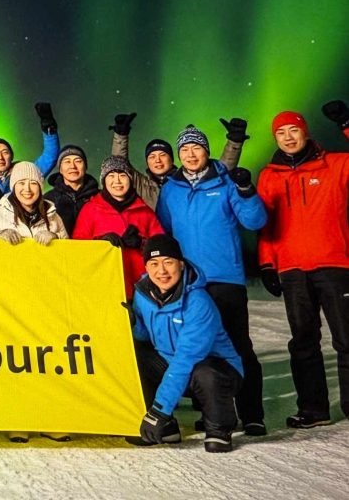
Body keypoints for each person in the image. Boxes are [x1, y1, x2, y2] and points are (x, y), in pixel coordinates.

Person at [156, 125, 268, 436]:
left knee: (237, 345)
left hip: (224, 279)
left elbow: (255, 220)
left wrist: (246, 191)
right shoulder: (171, 189)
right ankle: (213, 413)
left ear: (207, 151)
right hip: (189, 284)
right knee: (199, 350)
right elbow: (165, 231)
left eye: (196, 148)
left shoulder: (226, 181)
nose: (191, 155)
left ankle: (252, 413)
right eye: (185, 150)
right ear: (179, 156)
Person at [256, 103, 349, 428]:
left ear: (305, 132)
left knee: (346, 337)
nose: (288, 137)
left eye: (293, 130)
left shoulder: (336, 165)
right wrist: (267, 264)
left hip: (334, 264)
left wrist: (347, 124)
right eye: (281, 133)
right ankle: (314, 409)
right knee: (303, 341)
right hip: (292, 269)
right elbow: (265, 225)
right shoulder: (269, 177)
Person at [126, 234, 243, 453]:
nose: (161, 271)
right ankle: (167, 427)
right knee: (135, 356)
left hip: (216, 369)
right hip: (172, 365)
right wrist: (133, 324)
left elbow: (186, 358)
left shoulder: (198, 302)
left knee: (205, 372)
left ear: (180, 264)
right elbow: (146, 337)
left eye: (168, 262)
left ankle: (219, 428)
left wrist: (158, 410)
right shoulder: (143, 294)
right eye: (154, 264)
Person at [0, 161, 68, 444]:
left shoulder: (53, 216)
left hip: (45, 297)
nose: (27, 189)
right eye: (21, 184)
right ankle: (18, 418)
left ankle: (50, 417)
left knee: (47, 359)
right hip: (11, 296)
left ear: (40, 186)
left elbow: (71, 256)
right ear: (13, 187)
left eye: (32, 184)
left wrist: (55, 239)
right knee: (16, 360)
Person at [108, 113, 248, 210]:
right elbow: (119, 165)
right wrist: (121, 136)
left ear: (173, 158)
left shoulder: (186, 180)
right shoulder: (141, 184)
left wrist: (234, 143)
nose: (157, 160)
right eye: (152, 157)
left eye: (163, 155)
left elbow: (220, 173)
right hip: (154, 244)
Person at [72, 156, 163, 297]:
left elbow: (162, 249)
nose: (117, 181)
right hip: (103, 286)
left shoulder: (145, 212)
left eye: (122, 175)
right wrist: (100, 244)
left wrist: (142, 243)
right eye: (111, 176)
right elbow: (78, 251)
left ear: (130, 179)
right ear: (104, 181)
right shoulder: (90, 210)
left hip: (142, 286)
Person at [43, 145, 100, 234]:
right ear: (60, 169)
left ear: (85, 167)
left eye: (78, 161)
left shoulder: (100, 197)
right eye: (67, 162)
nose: (72, 166)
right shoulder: (48, 199)